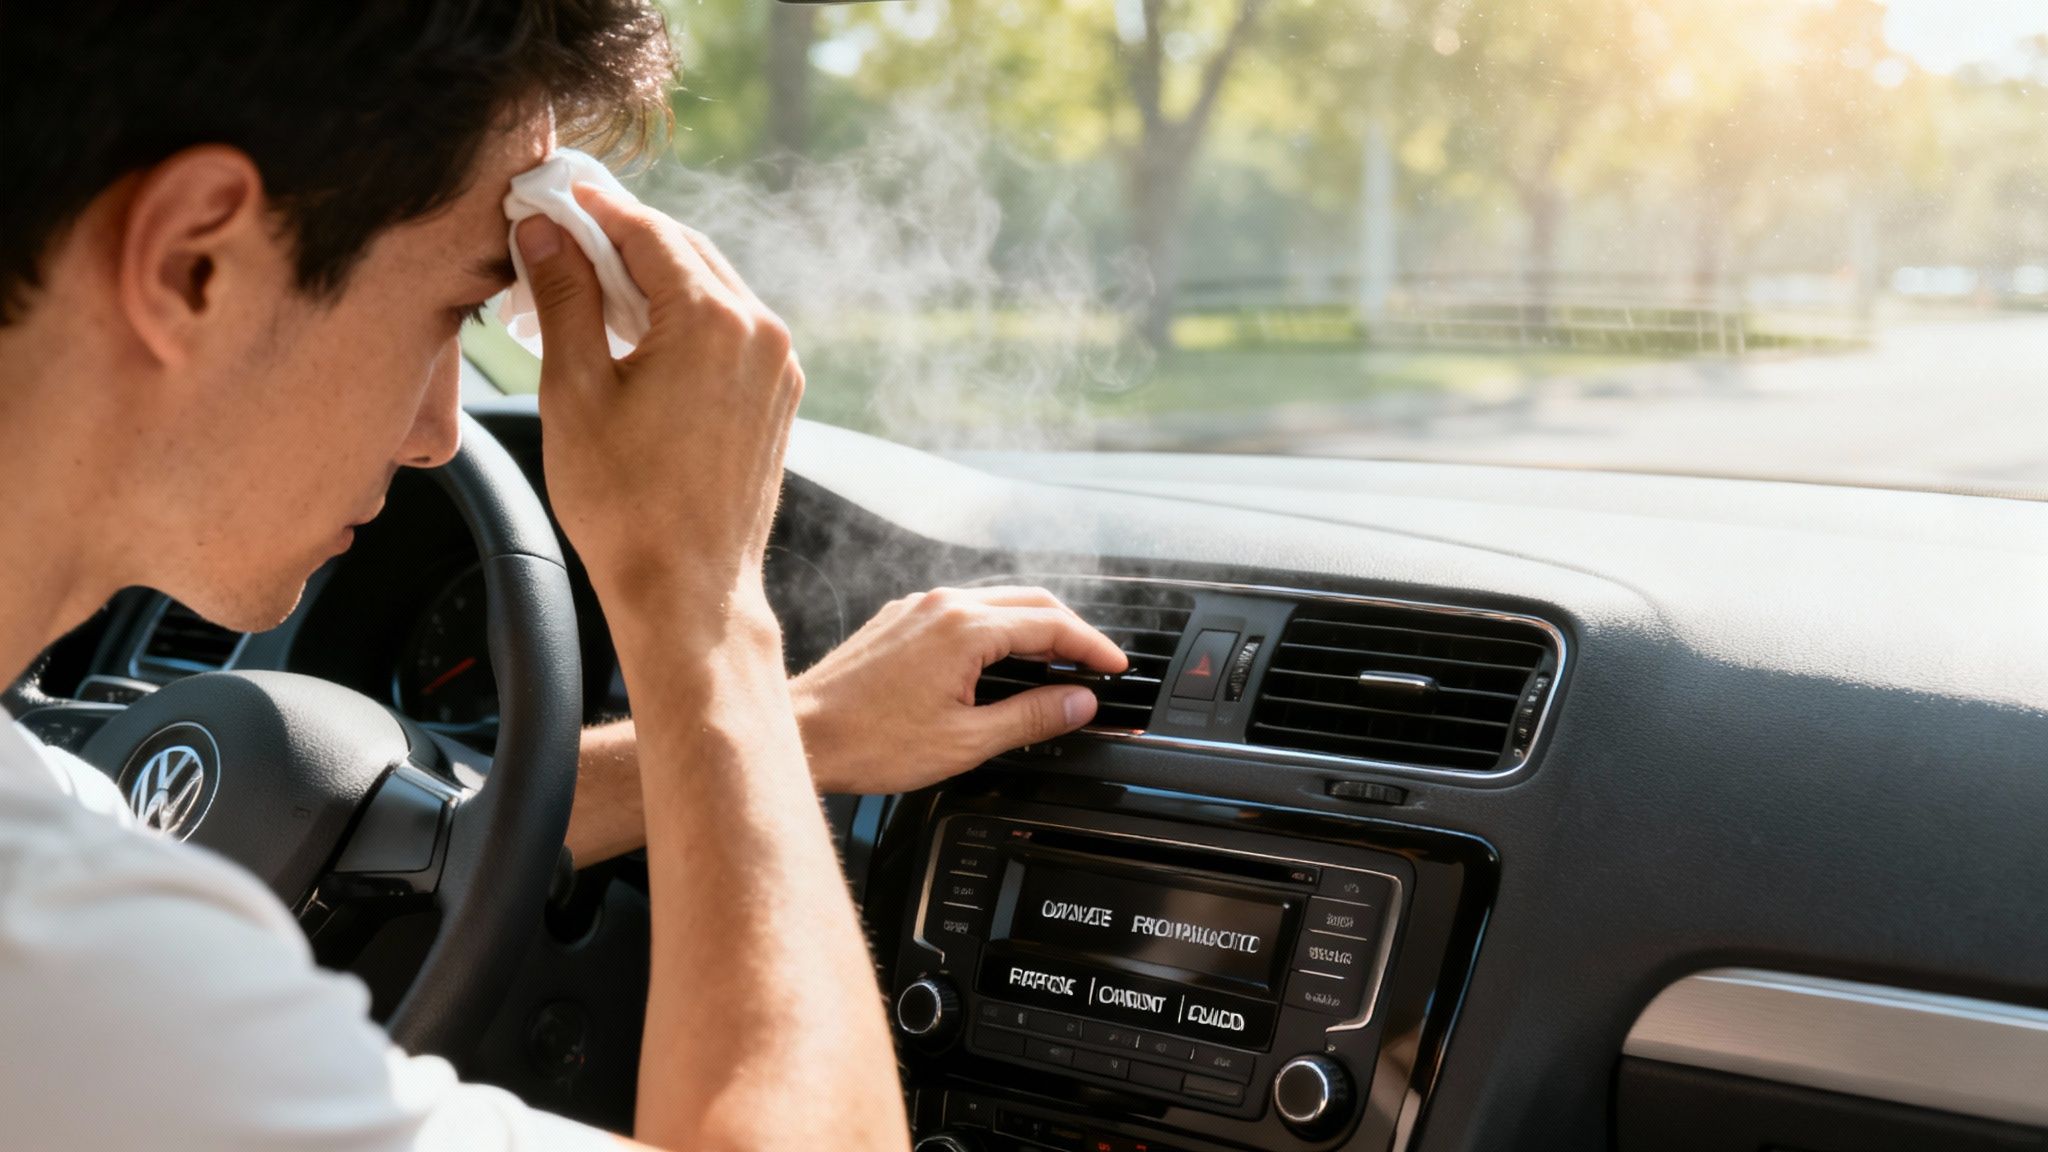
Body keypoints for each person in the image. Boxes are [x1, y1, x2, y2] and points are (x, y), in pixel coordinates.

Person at [0, 3, 1127, 1149]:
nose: (442, 430)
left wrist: (801, 729)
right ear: (195, 263)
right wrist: (700, 611)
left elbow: (276, 846)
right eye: (449, 313)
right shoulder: (62, 971)